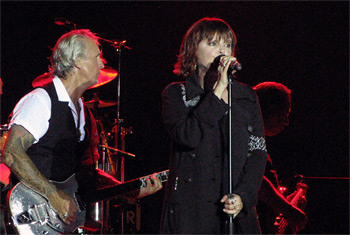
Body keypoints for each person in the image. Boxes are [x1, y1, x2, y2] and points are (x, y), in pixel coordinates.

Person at [1, 29, 162, 232]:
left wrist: (129, 190)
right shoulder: (41, 100)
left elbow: (86, 174)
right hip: (30, 216)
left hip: (57, 224)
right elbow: (11, 152)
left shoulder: (84, 113)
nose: (102, 64)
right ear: (77, 61)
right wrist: (52, 194)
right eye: (97, 57)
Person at [160, 17, 267, 234]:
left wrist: (243, 196)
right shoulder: (176, 94)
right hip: (192, 213)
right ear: (192, 50)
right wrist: (218, 91)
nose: (222, 51)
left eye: (227, 44)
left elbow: (258, 151)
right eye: (212, 43)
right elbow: (187, 136)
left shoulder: (245, 97)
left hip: (235, 213)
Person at [253, 81, 308, 234]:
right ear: (267, 109)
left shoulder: (256, 141)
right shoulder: (240, 135)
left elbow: (265, 204)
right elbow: (252, 178)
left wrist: (289, 202)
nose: (286, 122)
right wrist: (288, 209)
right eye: (283, 114)